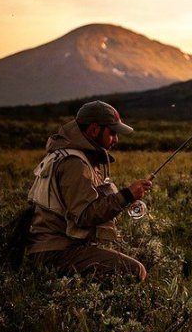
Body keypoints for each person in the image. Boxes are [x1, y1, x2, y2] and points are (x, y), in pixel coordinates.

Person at [25, 100, 153, 281]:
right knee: (134, 270)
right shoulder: (74, 163)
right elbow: (84, 215)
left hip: (55, 248)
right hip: (55, 252)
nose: (116, 139)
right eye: (112, 132)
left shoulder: (72, 156)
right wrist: (126, 195)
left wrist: (125, 198)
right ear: (94, 130)